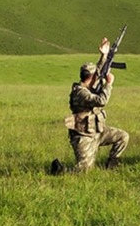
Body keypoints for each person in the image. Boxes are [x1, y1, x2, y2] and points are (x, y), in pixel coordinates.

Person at [50, 38, 129, 174]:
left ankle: (112, 165)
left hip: (98, 131)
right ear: (91, 78)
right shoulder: (80, 93)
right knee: (84, 171)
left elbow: (98, 70)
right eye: (96, 76)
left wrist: (104, 55)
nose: (98, 76)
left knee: (123, 136)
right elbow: (101, 100)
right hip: (84, 136)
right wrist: (108, 84)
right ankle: (60, 170)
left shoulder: (88, 85)